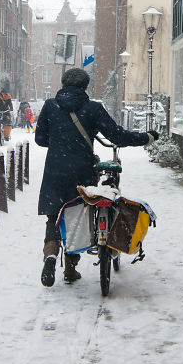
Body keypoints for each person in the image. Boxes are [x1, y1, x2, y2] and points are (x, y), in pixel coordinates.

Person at [35, 67, 158, 287]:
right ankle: (71, 268)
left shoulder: (50, 106)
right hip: (82, 171)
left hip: (54, 170)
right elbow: (117, 135)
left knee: (54, 216)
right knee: (79, 215)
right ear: (85, 87)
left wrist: (59, 142)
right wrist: (146, 138)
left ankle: (51, 255)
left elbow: (40, 139)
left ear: (63, 85)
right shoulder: (93, 108)